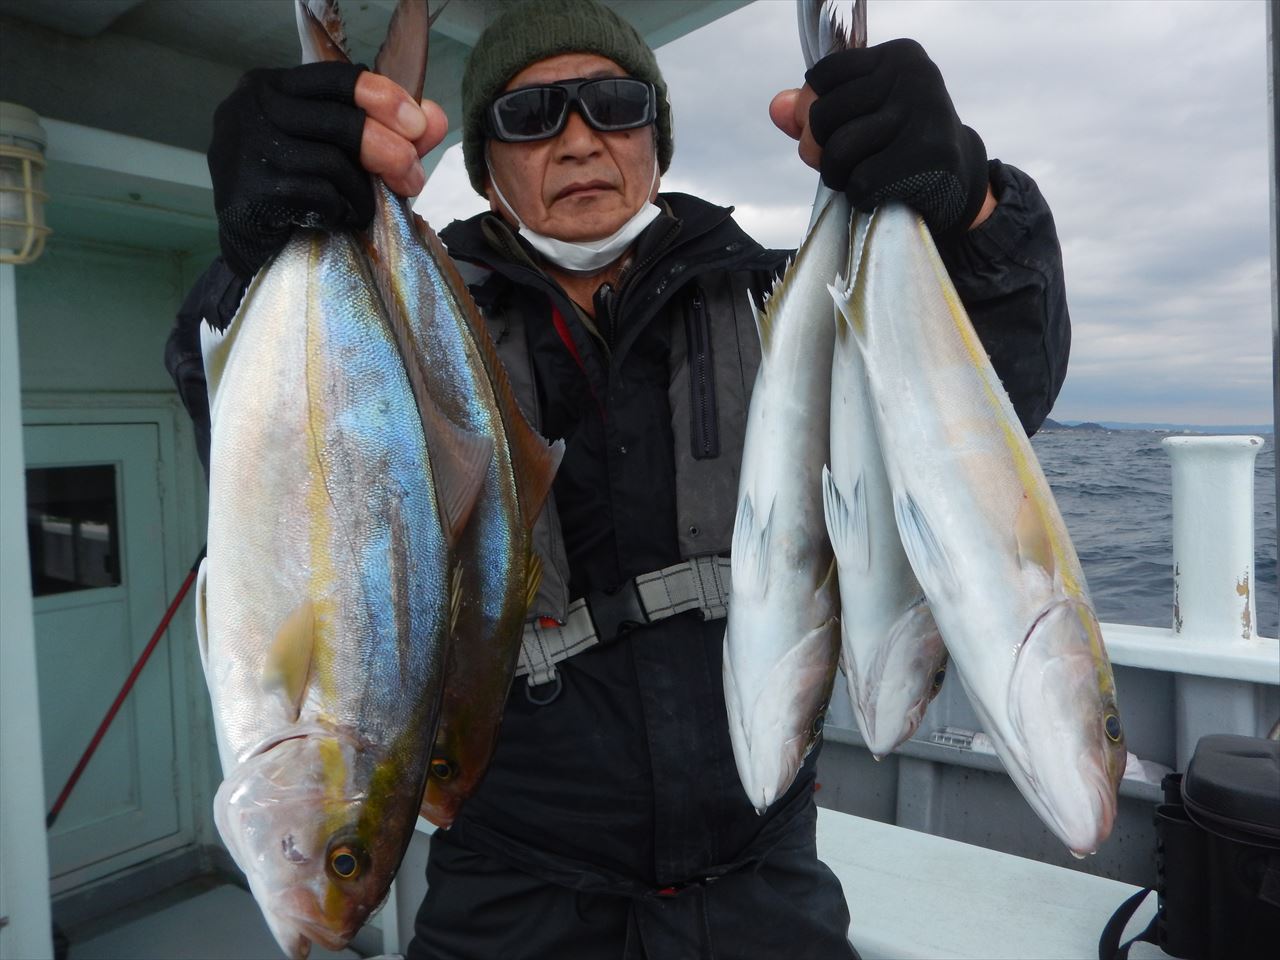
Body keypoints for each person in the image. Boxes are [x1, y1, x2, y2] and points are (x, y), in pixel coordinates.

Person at [165, 1, 1071, 957]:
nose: (579, 139)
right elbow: (262, 453)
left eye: (616, 104)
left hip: (765, 884)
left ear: (656, 141)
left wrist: (971, 205)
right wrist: (255, 253)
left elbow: (993, 393)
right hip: (511, 902)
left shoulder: (773, 299)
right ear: (486, 170)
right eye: (529, 115)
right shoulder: (411, 325)